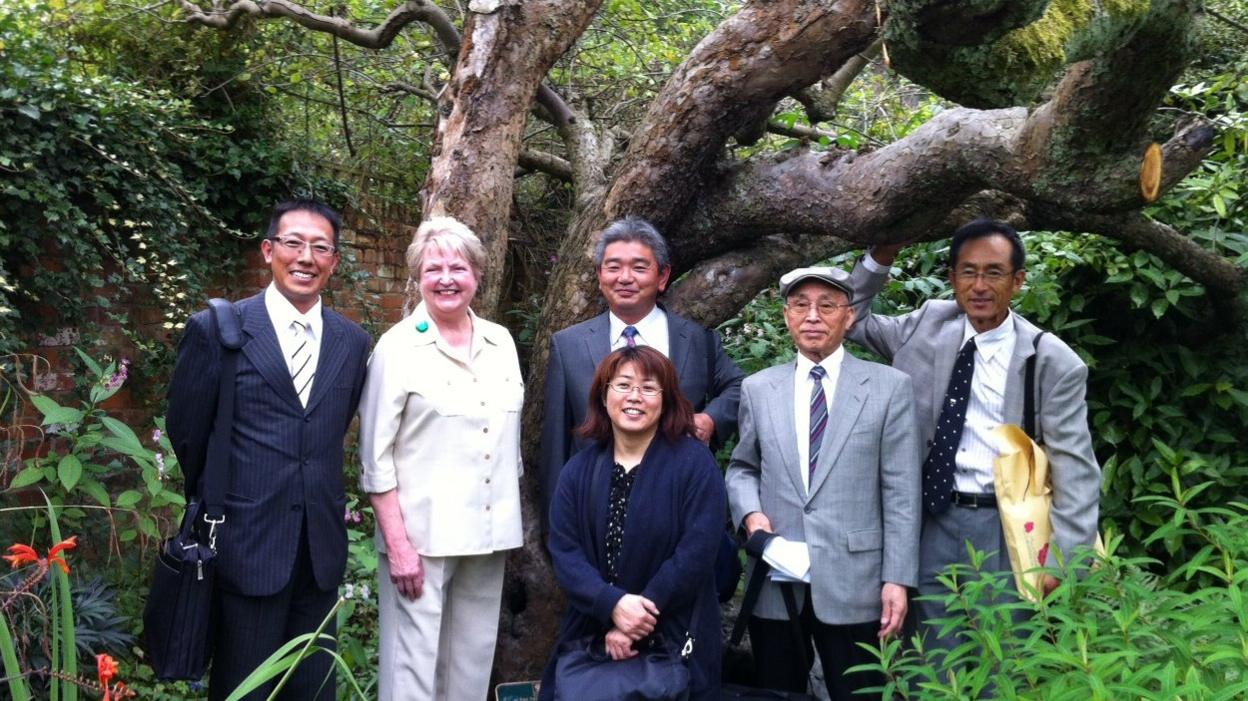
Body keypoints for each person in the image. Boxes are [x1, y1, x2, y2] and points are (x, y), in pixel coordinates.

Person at [846, 219, 1101, 651]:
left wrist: (1064, 561)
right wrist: (881, 255)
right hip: (931, 520)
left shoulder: (1052, 360)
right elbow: (850, 316)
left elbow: (1075, 470)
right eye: (968, 271)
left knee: (1002, 658)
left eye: (994, 272)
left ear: (1018, 280)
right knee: (930, 657)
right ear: (952, 278)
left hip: (1007, 528)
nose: (979, 285)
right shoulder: (927, 324)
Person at [166, 199, 371, 701]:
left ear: (334, 261)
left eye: (320, 247)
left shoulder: (353, 341)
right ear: (268, 251)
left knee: (315, 688)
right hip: (246, 545)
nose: (306, 257)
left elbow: (327, 430)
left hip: (320, 550)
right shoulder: (219, 330)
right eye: (293, 243)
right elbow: (187, 434)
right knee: (245, 690)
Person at [725, 266, 920, 700]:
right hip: (777, 578)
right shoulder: (759, 388)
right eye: (801, 305)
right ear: (787, 316)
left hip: (858, 579)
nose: (812, 316)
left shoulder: (888, 388)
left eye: (826, 305)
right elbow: (742, 467)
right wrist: (750, 513)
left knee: (862, 692)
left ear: (849, 317)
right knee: (778, 692)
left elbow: (903, 492)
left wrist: (897, 579)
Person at [357, 216, 524, 701]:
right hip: (420, 543)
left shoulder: (501, 343)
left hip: (488, 538)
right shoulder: (398, 348)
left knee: (470, 668)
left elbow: (505, 447)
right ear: (418, 277)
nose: (446, 279)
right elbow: (375, 459)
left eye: (458, 267)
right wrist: (398, 545)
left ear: (477, 274)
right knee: (412, 673)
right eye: (434, 269)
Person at [541, 347, 728, 701]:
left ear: (667, 399)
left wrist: (636, 618)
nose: (634, 397)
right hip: (590, 631)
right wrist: (611, 606)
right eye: (623, 385)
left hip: (673, 631)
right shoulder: (578, 470)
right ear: (604, 393)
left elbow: (697, 552)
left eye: (648, 388)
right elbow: (566, 552)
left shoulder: (694, 464)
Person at [539, 216, 744, 522]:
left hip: (678, 503)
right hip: (592, 508)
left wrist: (710, 419)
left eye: (638, 267)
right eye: (613, 267)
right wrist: (554, 525)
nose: (625, 277)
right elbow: (555, 445)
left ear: (662, 277)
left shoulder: (697, 341)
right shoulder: (568, 345)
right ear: (599, 275)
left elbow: (739, 387)